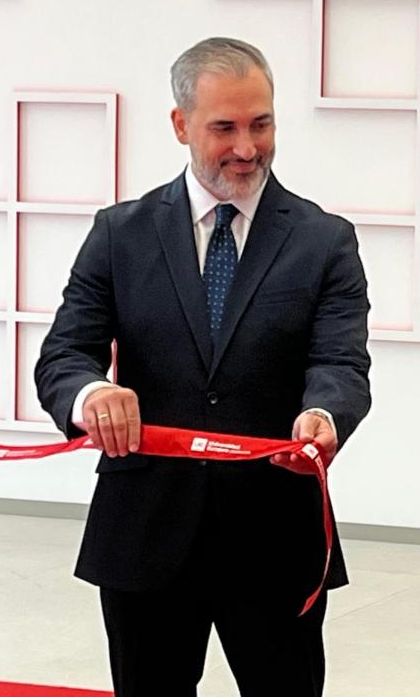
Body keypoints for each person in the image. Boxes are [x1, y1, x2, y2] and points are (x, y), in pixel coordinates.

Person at [34, 37, 371, 697]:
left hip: (275, 536)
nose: (247, 148)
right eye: (225, 127)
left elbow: (340, 362)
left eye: (262, 124)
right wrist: (89, 394)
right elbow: (63, 356)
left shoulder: (323, 241)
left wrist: (323, 414)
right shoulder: (119, 234)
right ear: (181, 124)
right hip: (145, 532)